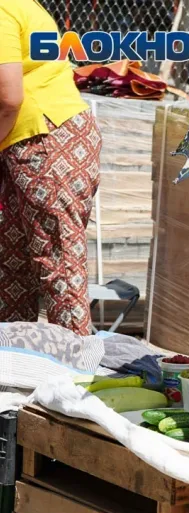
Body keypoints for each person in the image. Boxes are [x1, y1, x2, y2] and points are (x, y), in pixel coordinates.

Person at [0, 0, 102, 335]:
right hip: (40, 137)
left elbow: (8, 96)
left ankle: (77, 373)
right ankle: (15, 362)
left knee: (57, 262)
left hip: (45, 137)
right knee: (12, 262)